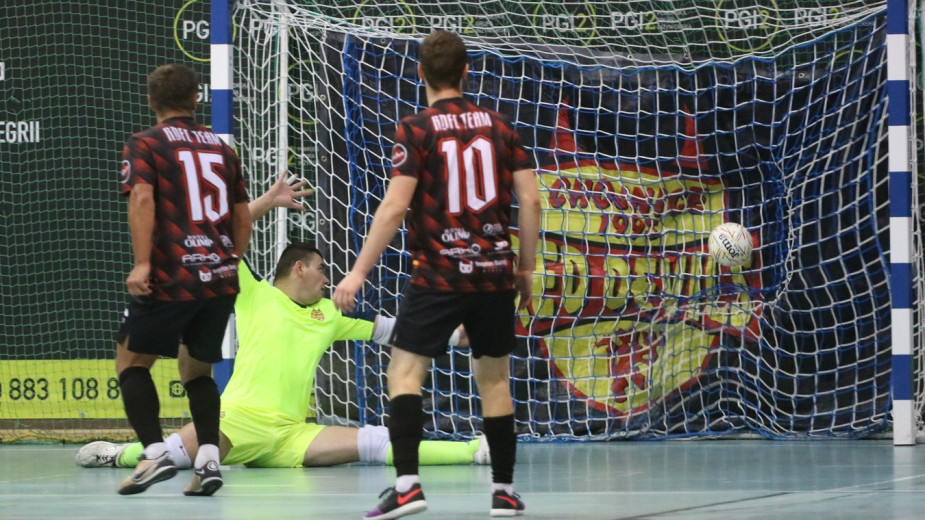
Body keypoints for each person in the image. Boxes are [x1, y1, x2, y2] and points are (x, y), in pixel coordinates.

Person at [77, 175, 489, 474]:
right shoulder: (255, 293)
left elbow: (395, 331)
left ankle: (476, 451)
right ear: (298, 268)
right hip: (234, 421)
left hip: (293, 434)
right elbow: (217, 235)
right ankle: (116, 455)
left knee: (379, 442)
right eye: (321, 270)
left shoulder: (330, 314)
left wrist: (456, 335)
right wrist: (268, 202)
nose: (328, 278)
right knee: (173, 456)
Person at [332, 30, 541, 519]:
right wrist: (526, 268)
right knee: (494, 381)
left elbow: (394, 206)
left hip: (439, 272)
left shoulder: (416, 128)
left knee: (404, 372)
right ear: (467, 71)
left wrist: (358, 274)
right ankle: (504, 492)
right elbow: (530, 199)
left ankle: (407, 486)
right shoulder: (500, 126)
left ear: (420, 72)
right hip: (493, 273)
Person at [115, 63, 251, 496]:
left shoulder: (145, 144)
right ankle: (209, 462)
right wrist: (229, 259)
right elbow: (242, 214)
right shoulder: (221, 148)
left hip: (171, 273)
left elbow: (141, 196)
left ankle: (155, 454)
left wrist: (141, 264)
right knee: (198, 369)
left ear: (150, 100)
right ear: (197, 97)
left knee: (131, 361)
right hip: (219, 277)